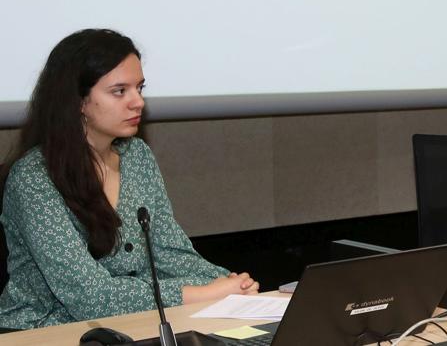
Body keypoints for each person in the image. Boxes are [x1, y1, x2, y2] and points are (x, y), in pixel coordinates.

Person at [0, 29, 258, 330]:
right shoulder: (33, 179)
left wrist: (229, 283)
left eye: (139, 88)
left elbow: (170, 252)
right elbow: (89, 296)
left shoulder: (136, 156)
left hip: (129, 323)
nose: (138, 102)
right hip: (42, 331)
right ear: (79, 101)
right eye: (120, 91)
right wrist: (202, 294)